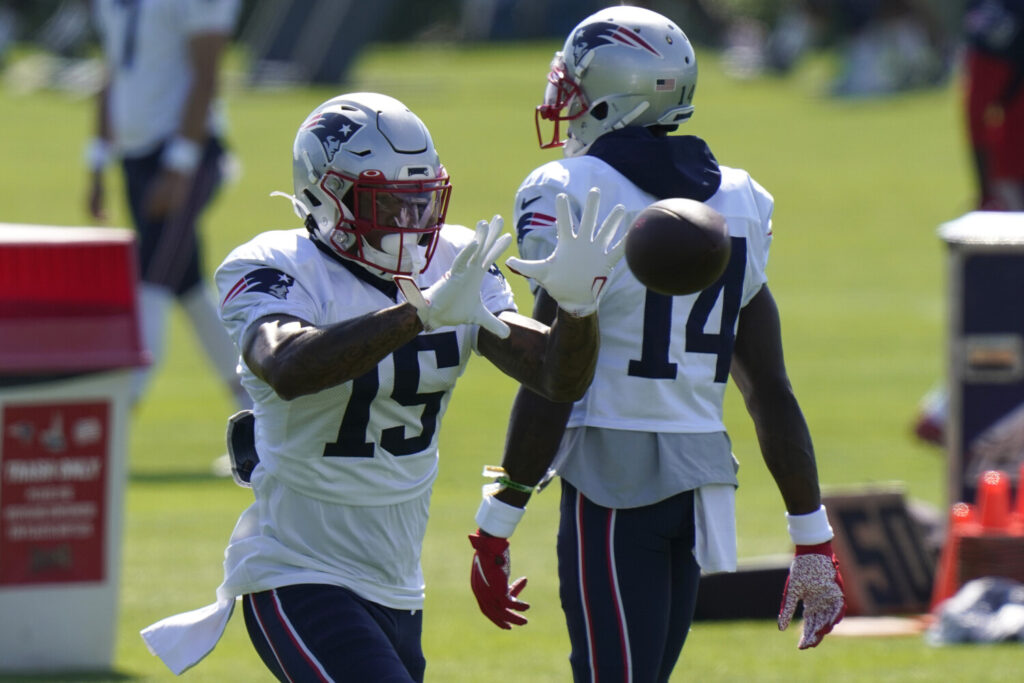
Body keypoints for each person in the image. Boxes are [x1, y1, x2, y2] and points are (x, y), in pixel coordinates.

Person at [140, 91, 626, 681]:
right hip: (296, 571)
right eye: (387, 204)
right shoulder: (275, 264)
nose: (410, 223)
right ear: (324, 196)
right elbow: (287, 367)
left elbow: (556, 377)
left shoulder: (452, 258)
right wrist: (418, 313)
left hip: (398, 583)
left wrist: (577, 310)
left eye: (421, 202)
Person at [465, 6, 847, 681]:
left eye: (574, 86)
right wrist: (811, 535)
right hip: (702, 479)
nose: (562, 101)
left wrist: (498, 519)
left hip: (612, 477)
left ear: (615, 94)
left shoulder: (572, 190)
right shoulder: (741, 199)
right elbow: (769, 388)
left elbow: (555, 378)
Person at [86, 0, 249, 411]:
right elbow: (113, 69)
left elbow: (207, 72)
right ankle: (253, 403)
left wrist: (180, 164)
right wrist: (98, 160)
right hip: (135, 156)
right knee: (186, 285)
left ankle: (123, 405)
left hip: (185, 153)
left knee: (151, 278)